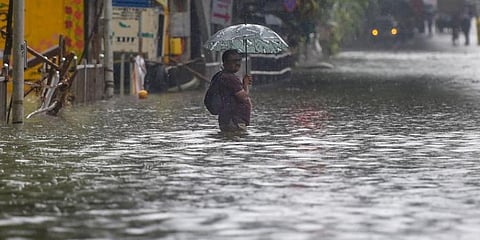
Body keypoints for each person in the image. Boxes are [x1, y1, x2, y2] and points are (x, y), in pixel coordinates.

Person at [216, 49, 253, 132]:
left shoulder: (223, 76)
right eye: (233, 61)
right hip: (234, 121)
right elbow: (243, 98)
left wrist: (244, 84)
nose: (237, 64)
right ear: (225, 63)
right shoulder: (230, 78)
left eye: (239, 60)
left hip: (228, 120)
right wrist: (246, 85)